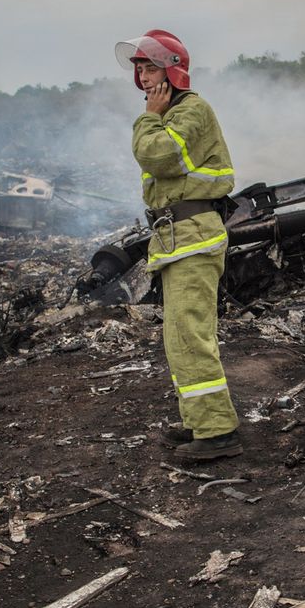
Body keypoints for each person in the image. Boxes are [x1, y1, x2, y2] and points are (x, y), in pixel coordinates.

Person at [116, 29, 242, 462]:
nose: (143, 77)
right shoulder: (172, 113)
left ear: (172, 71)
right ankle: (198, 421)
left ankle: (217, 432)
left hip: (193, 237)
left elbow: (159, 156)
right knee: (179, 337)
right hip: (176, 239)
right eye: (139, 69)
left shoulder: (190, 110)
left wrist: (148, 118)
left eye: (150, 67)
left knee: (190, 335)